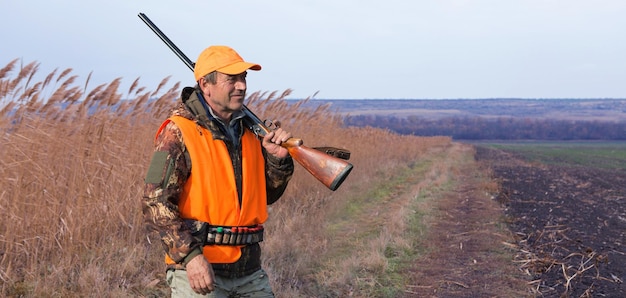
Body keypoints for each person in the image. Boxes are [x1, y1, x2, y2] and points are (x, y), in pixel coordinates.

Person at [142, 45, 294, 297]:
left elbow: (266, 196)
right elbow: (154, 202)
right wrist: (190, 257)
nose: (242, 86)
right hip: (199, 268)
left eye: (243, 78)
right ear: (205, 85)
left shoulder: (250, 131)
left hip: (249, 270)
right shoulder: (179, 131)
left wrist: (277, 160)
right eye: (231, 79)